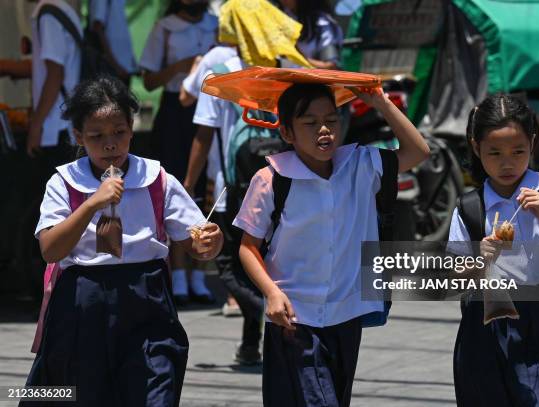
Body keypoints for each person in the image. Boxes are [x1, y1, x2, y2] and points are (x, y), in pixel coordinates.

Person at [20, 76, 223, 407]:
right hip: (83, 300)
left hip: (146, 298)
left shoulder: (157, 178)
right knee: (80, 392)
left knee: (155, 387)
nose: (110, 144)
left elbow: (197, 242)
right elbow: (51, 249)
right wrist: (91, 204)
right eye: (96, 137)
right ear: (78, 137)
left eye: (119, 133)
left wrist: (210, 241)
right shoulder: (64, 182)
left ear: (132, 129)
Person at [234, 83, 429, 406]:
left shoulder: (361, 165)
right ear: (287, 132)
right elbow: (247, 246)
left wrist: (382, 104)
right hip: (293, 318)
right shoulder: (271, 179)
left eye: (331, 119)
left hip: (346, 315)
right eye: (309, 123)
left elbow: (418, 152)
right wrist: (271, 292)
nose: (324, 129)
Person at [182, 0, 310, 365]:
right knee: (267, 261)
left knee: (228, 265)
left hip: (233, 186)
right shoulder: (283, 70)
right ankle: (252, 344)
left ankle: (290, 323)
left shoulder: (221, 71)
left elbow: (204, 134)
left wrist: (189, 186)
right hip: (284, 180)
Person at [447, 94, 539, 406]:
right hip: (486, 326)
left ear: (533, 143)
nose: (507, 163)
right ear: (476, 148)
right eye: (494, 153)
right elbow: (453, 278)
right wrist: (479, 260)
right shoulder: (471, 207)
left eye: (518, 151)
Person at [140, 0, 218, 305]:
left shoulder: (215, 24)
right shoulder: (165, 27)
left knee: (204, 187)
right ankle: (180, 275)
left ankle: (200, 274)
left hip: (207, 105)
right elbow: (148, 80)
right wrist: (180, 67)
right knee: (175, 187)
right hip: (175, 109)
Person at [278, 0, 343, 69]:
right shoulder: (277, 17)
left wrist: (297, 55)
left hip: (308, 77)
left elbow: (331, 66)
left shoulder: (322, 23)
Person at [88, 0, 138, 83]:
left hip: (124, 68)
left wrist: (131, 61)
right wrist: (115, 66)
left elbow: (120, 26)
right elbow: (97, 27)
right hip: (111, 69)